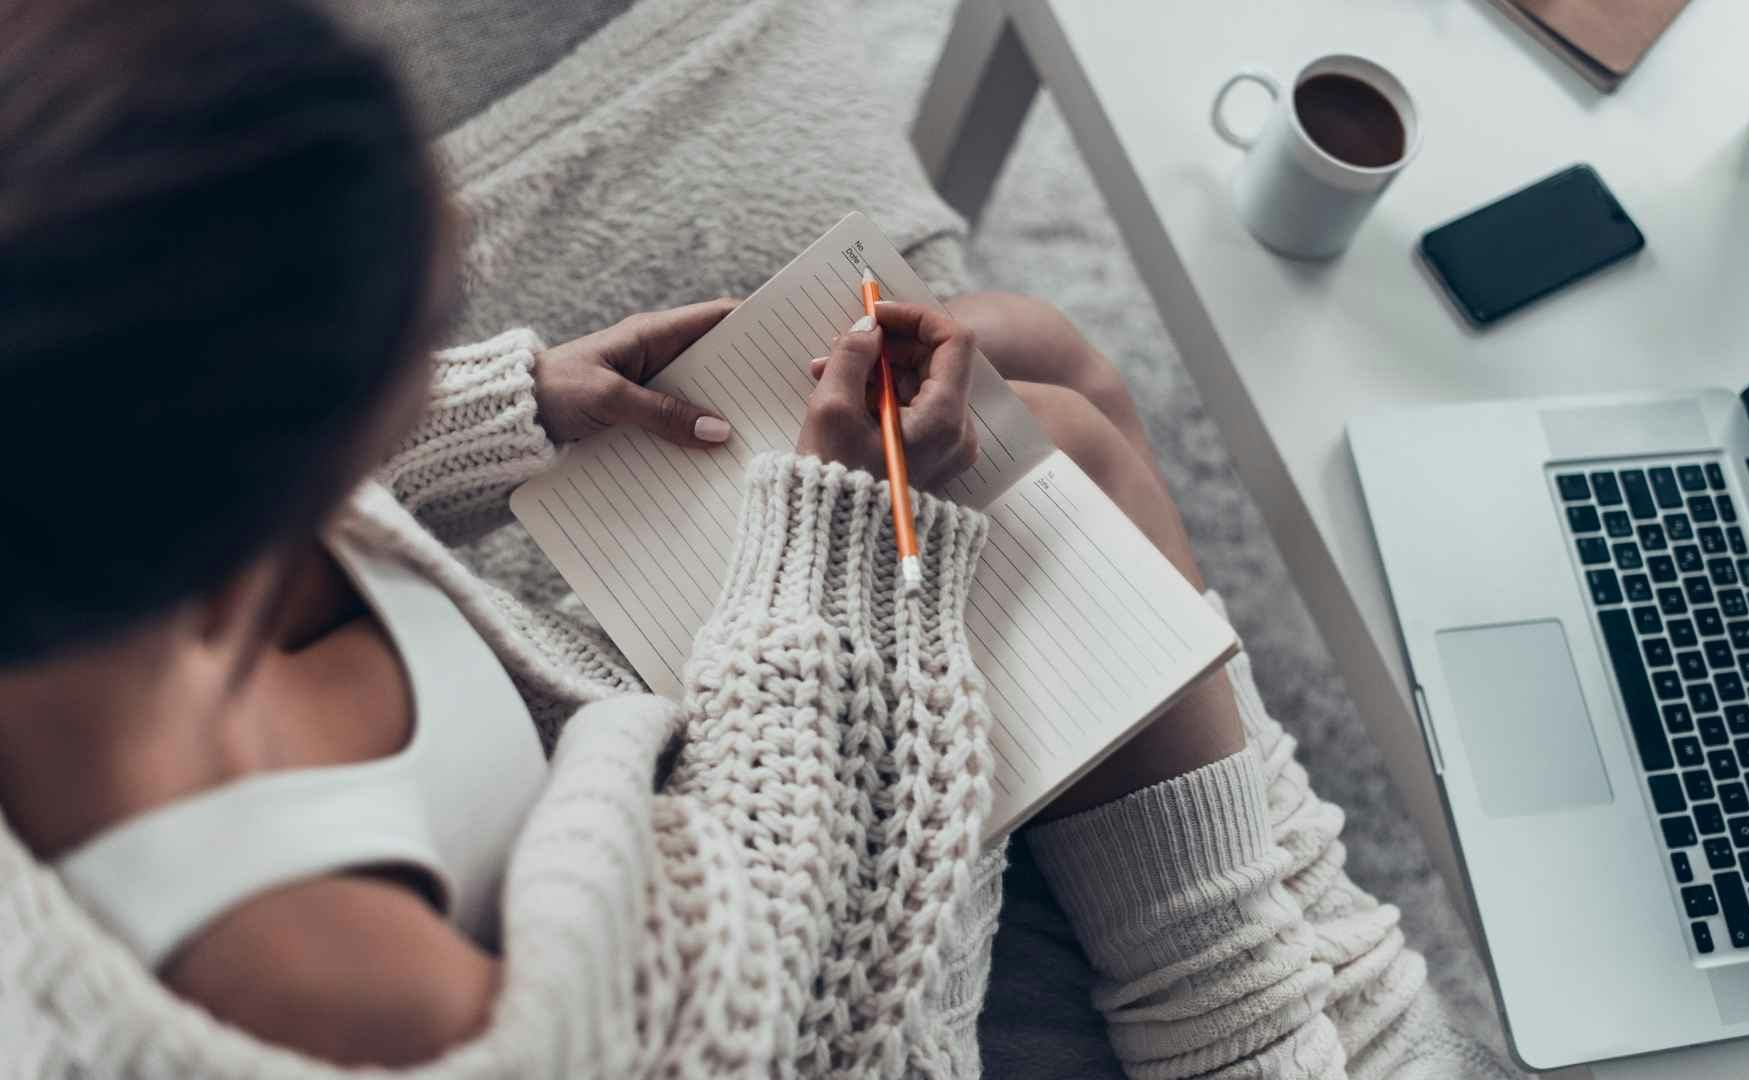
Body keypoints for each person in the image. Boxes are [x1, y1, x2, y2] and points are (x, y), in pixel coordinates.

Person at [0, 0, 1512, 1076]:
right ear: (250, 499)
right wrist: (838, 534)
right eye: (415, 337)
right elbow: (775, 982)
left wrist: (512, 396)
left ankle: (1299, 999)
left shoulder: (70, 532)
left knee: (1035, 356)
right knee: (1068, 451)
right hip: (804, 937)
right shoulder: (350, 993)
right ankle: (1269, 1021)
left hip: (607, 764)